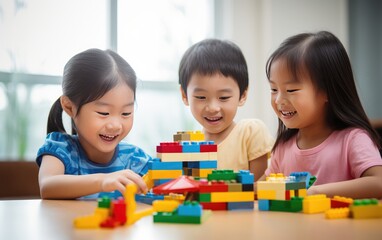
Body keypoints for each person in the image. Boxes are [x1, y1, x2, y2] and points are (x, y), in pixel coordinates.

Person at [261, 31, 382, 199]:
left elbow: (378, 183)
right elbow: (262, 189)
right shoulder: (284, 146)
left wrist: (317, 191)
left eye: (291, 90)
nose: (279, 100)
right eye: (274, 89)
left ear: (327, 91)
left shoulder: (353, 140)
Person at [36, 49, 152, 199]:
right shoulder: (62, 150)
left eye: (126, 113)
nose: (115, 125)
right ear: (69, 107)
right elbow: (48, 186)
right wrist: (103, 180)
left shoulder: (135, 159)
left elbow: (170, 182)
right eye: (104, 113)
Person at [179, 39, 274, 181]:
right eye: (201, 97)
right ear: (184, 96)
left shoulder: (250, 132)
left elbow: (259, 189)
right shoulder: (189, 144)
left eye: (223, 97)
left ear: (242, 95)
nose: (212, 108)